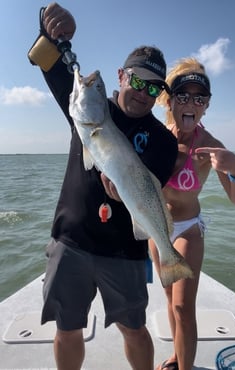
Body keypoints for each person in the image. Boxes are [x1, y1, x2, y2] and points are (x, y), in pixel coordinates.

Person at [28, 3, 178, 370]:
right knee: (67, 329)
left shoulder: (163, 140)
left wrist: (131, 204)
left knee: (135, 330)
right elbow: (47, 59)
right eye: (138, 81)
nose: (144, 93)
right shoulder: (88, 108)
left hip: (124, 251)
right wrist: (52, 26)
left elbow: (148, 191)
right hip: (72, 240)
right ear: (121, 76)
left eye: (154, 88)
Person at [149, 57, 235, 370]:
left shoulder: (210, 146)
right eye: (183, 95)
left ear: (206, 105)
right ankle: (178, 357)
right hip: (157, 229)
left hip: (188, 231)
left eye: (199, 98)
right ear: (169, 100)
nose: (191, 103)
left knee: (182, 305)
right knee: (169, 301)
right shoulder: (156, 136)